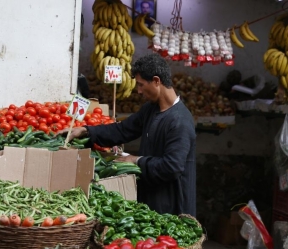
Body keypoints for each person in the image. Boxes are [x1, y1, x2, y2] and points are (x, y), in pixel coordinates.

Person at [58, 53, 196, 216]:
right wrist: (86, 130)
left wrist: (136, 160)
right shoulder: (150, 110)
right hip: (151, 199)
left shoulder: (180, 121)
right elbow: (122, 130)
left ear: (157, 81)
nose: (138, 91)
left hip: (172, 207)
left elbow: (172, 167)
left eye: (141, 85)